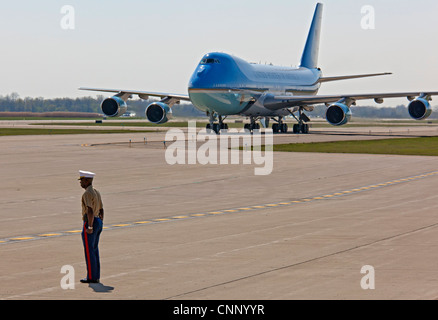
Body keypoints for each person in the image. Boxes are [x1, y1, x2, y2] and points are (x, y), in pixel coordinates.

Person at [78, 170, 104, 284]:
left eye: (82, 180)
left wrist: (89, 225)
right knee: (94, 250)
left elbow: (89, 210)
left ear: (87, 181)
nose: (80, 183)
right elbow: (102, 209)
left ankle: (91, 277)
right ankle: (95, 275)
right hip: (97, 221)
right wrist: (100, 221)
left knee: (89, 251)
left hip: (91, 221)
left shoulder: (87, 194)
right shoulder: (96, 192)